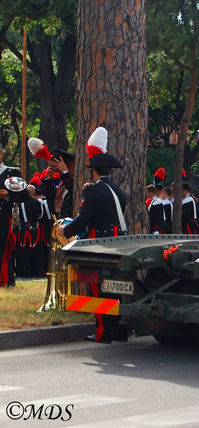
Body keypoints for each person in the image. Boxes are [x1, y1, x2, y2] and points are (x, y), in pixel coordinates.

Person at [56, 127, 128, 344]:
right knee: (115, 289)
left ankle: (103, 332)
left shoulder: (93, 191)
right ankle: (118, 331)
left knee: (98, 289)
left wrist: (65, 231)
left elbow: (84, 219)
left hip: (100, 244)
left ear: (93, 170)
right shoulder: (118, 190)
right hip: (118, 242)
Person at [29, 138, 77, 219]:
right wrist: (49, 177)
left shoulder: (74, 182)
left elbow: (73, 190)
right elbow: (51, 197)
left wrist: (65, 172)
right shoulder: (63, 184)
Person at [0, 143, 22, 287]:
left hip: (3, 216)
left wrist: (9, 193)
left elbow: (25, 194)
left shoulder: (11, 173)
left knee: (3, 247)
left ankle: (4, 279)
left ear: (1, 154)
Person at [15, 185, 43, 278]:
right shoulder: (37, 202)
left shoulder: (20, 203)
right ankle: (36, 272)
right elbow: (40, 215)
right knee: (35, 251)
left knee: (23, 252)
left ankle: (24, 272)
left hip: (23, 230)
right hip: (35, 229)